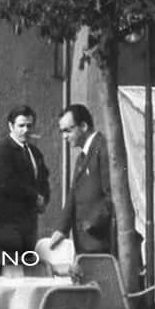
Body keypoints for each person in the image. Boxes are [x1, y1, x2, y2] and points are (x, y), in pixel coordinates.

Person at [51, 104, 113, 254]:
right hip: (84, 242)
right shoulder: (81, 157)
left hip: (100, 240)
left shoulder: (103, 149)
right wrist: (61, 229)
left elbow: (112, 194)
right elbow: (73, 194)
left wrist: (92, 223)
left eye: (68, 130)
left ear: (84, 126)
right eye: (62, 132)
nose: (64, 136)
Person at [0, 105, 50, 253]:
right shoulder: (2, 150)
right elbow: (6, 183)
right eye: (21, 125)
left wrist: (44, 199)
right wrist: (34, 196)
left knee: (28, 265)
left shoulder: (35, 152)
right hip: (7, 223)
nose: (26, 130)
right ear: (11, 126)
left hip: (29, 222)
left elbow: (43, 179)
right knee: (12, 269)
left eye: (29, 126)